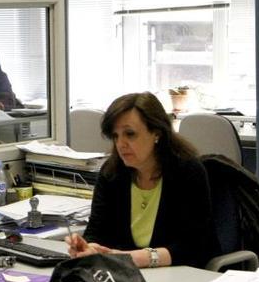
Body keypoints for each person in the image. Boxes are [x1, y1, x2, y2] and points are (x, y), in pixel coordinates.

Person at [65, 92, 214, 268]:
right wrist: (88, 247)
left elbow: (195, 247)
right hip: (125, 278)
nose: (121, 144)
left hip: (180, 277)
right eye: (115, 136)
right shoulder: (111, 174)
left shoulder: (187, 172)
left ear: (156, 133)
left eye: (130, 134)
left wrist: (135, 258)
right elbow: (97, 232)